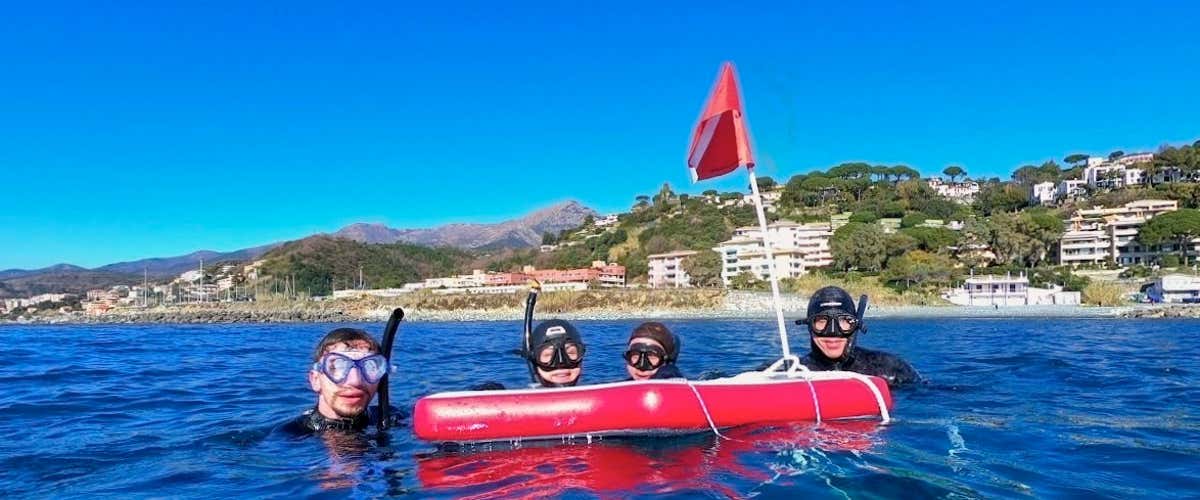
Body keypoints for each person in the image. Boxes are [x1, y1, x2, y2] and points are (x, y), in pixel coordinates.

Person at [284, 327, 404, 434]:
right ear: (315, 380)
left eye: (370, 367)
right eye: (338, 367)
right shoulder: (290, 438)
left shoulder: (395, 418)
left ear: (380, 381)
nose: (355, 381)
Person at [794, 286, 920, 386]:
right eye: (821, 322)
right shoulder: (792, 373)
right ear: (810, 326)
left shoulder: (889, 368)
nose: (832, 332)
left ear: (855, 325)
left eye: (843, 321)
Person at [472, 318, 587, 390]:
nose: (561, 362)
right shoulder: (516, 404)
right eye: (548, 355)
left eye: (571, 352)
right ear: (534, 361)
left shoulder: (598, 396)